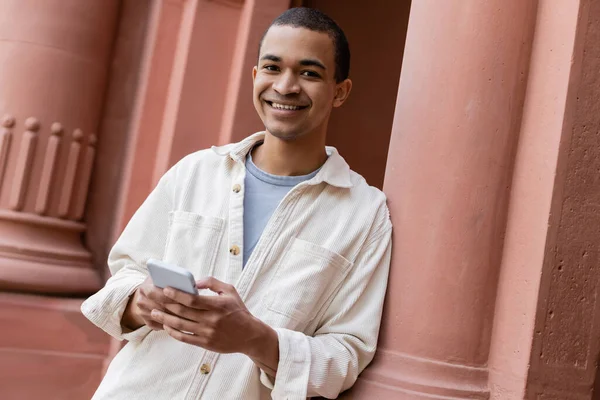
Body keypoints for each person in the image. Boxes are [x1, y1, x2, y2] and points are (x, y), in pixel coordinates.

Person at [82, 7, 392, 400]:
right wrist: (142, 302)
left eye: (309, 73)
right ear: (255, 76)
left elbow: (346, 354)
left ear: (340, 91)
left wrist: (254, 339)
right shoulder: (194, 172)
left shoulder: (364, 215)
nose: (285, 86)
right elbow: (122, 278)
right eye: (272, 67)